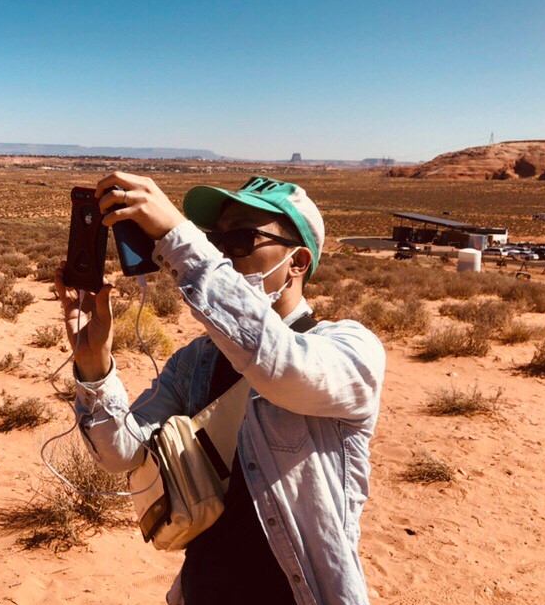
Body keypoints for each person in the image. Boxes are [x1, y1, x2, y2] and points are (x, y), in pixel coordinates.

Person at [54, 172, 385, 605]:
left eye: (242, 240)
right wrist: (93, 363)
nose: (224, 254)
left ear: (298, 262)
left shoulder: (350, 349)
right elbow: (122, 454)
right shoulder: (196, 361)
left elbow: (281, 367)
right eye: (216, 240)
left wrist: (178, 238)